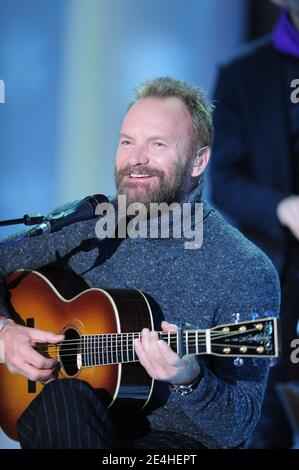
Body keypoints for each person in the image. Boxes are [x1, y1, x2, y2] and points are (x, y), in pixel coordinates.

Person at [0, 77, 280, 449]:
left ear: (199, 160)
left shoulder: (245, 268)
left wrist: (190, 380)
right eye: (127, 142)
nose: (136, 159)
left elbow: (237, 426)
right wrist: (5, 332)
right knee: (63, 400)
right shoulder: (84, 224)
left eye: (157, 144)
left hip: (175, 445)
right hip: (69, 425)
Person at [210, 0, 299, 448]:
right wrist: (283, 207)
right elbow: (224, 181)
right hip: (278, 276)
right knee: (265, 423)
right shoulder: (242, 72)